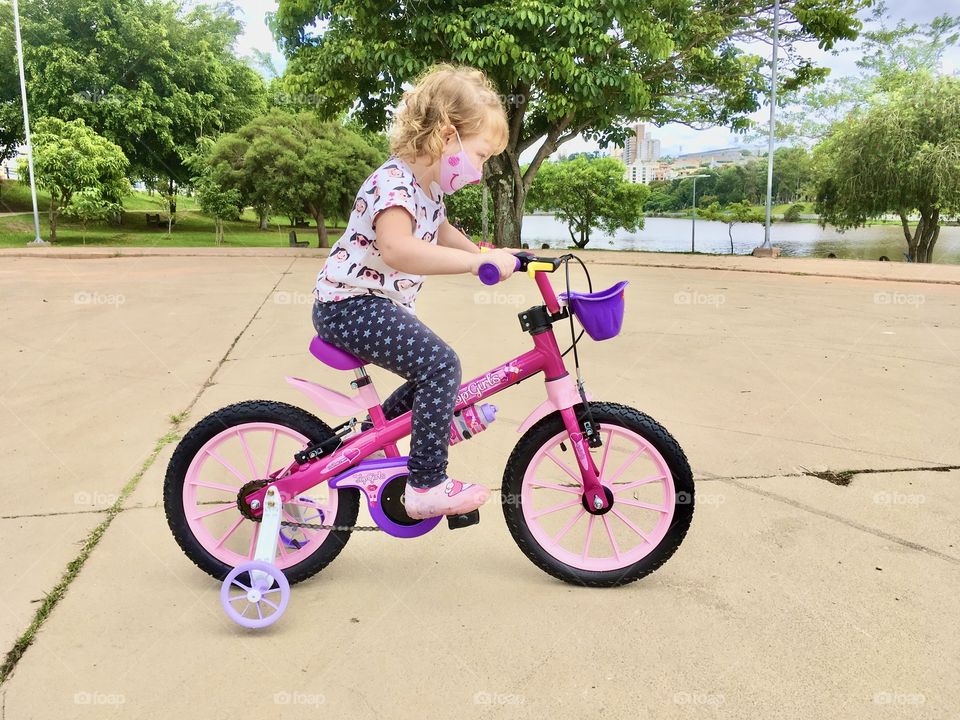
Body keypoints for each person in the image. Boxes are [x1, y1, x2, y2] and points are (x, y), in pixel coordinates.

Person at [311, 64, 518, 520]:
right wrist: (473, 263)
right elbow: (399, 249)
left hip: (374, 305)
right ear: (448, 136)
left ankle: (378, 437)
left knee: (432, 372)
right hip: (348, 306)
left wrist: (488, 253)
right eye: (481, 156)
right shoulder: (393, 183)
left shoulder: (427, 191)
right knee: (441, 365)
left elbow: (443, 233)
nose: (480, 171)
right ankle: (425, 484)